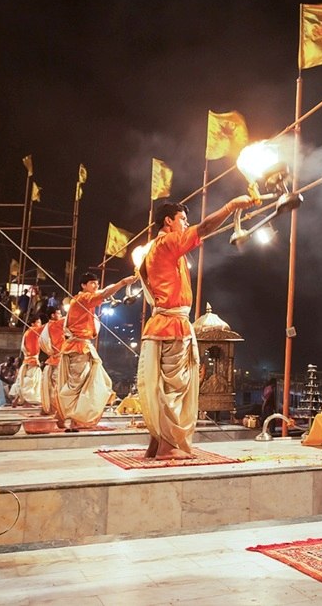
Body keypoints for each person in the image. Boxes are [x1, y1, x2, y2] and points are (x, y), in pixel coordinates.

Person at [136, 195, 256, 460]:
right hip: (171, 324)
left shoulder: (158, 249)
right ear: (168, 221)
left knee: (163, 387)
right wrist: (230, 206)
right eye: (182, 219)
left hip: (164, 323)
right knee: (174, 388)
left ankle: (157, 443)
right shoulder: (167, 242)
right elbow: (202, 230)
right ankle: (167, 447)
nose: (186, 224)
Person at [57, 272, 135, 429]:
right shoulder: (83, 298)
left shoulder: (83, 300)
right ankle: (65, 415)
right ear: (83, 286)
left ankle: (73, 417)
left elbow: (103, 292)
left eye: (96, 283)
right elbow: (105, 293)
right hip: (79, 348)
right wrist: (122, 282)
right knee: (77, 385)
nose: (96, 286)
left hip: (82, 347)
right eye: (92, 283)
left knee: (97, 383)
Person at [12, 315, 44, 406]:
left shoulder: (27, 332)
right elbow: (45, 328)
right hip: (32, 360)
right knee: (31, 381)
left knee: (23, 380)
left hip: (27, 360)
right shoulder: (34, 330)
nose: (40, 324)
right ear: (32, 323)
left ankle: (18, 397)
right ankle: (27, 400)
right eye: (38, 322)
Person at [39, 307, 65, 417]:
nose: (60, 315)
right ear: (53, 315)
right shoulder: (56, 324)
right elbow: (71, 319)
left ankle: (54, 408)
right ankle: (58, 409)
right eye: (58, 313)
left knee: (54, 385)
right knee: (59, 385)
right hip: (58, 359)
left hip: (54, 358)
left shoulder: (46, 327)